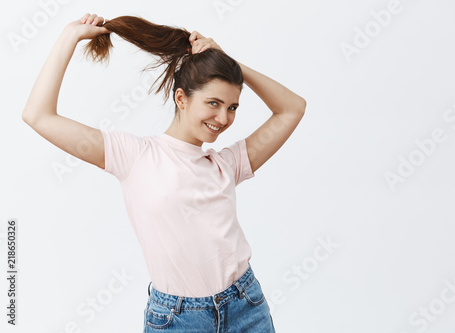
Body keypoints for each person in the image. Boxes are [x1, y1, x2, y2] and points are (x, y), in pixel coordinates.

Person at [22, 13, 306, 332]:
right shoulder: (134, 155)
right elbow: (38, 116)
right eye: (213, 103)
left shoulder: (228, 164)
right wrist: (68, 38)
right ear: (181, 98)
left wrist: (228, 60)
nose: (223, 118)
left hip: (246, 306)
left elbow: (292, 108)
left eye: (232, 107)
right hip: (179, 318)